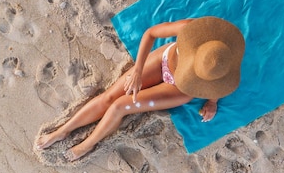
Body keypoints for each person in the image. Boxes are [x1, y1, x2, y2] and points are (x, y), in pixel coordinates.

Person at [34, 16, 245, 162]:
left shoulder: (222, 66)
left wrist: (212, 102)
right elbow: (151, 33)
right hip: (163, 60)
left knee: (120, 106)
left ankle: (88, 143)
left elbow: (221, 84)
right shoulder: (191, 29)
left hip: (178, 89)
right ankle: (63, 131)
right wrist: (137, 70)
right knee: (110, 97)